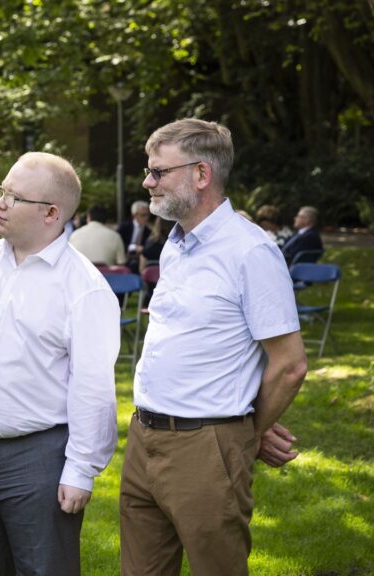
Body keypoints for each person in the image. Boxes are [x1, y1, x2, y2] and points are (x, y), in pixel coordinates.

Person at [120, 118, 308, 575]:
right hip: (143, 437)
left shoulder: (250, 252)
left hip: (206, 447)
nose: (148, 181)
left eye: (159, 172)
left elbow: (289, 365)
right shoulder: (174, 244)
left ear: (201, 175)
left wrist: (248, 432)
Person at [0, 152, 119, 574]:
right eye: (2, 191)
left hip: (39, 456)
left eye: (14, 197)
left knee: (43, 568)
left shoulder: (84, 288)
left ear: (51, 213)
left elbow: (93, 387)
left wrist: (81, 469)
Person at [118, 200, 151, 272]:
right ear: (134, 215)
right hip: (124, 257)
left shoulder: (148, 231)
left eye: (147, 215)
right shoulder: (124, 227)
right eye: (143, 215)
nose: (146, 218)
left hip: (140, 259)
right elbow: (118, 243)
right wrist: (133, 247)